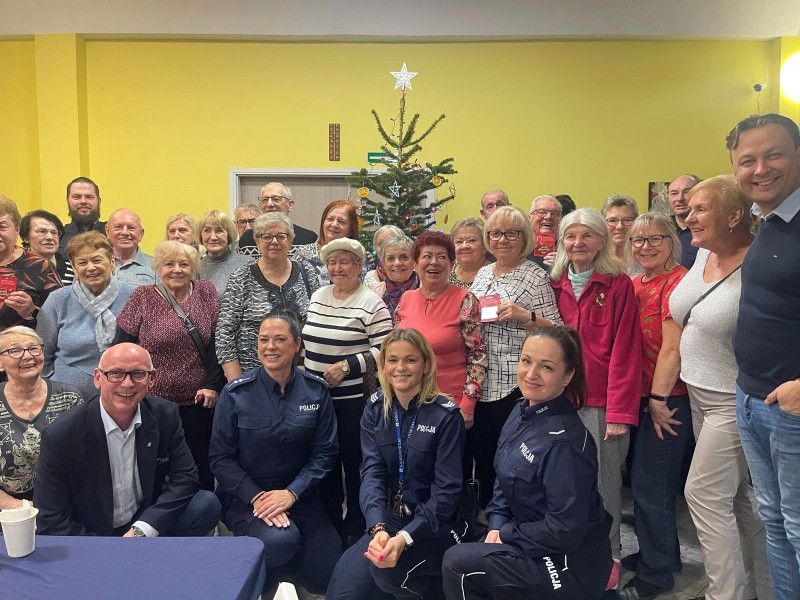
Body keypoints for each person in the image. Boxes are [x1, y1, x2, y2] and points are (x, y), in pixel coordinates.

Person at [441, 326, 613, 600]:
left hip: (567, 563)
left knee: (458, 564)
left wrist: (507, 533)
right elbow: (503, 480)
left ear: (567, 376)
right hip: (528, 537)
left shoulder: (564, 444)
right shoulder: (521, 409)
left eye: (546, 367)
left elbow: (565, 529)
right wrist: (496, 525)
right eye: (526, 361)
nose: (531, 374)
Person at [669, 175, 760, 600]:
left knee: (703, 494)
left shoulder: (758, 262)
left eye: (701, 208)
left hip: (733, 397)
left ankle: (722, 594)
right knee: (733, 498)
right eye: (689, 208)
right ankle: (750, 588)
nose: (689, 216)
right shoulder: (704, 251)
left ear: (735, 215)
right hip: (697, 392)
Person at [327, 328, 467, 600]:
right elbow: (372, 473)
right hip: (389, 520)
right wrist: (377, 527)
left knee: (389, 576)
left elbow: (447, 493)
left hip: (433, 525)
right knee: (341, 594)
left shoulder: (446, 416)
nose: (400, 368)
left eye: (410, 360)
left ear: (425, 365)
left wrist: (404, 537)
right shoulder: (374, 409)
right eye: (392, 360)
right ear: (383, 365)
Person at [209, 311, 341, 596]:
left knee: (328, 570)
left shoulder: (316, 391)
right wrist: (257, 497)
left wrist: (292, 493)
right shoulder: (235, 394)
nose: (270, 347)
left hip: (301, 497)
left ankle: (280, 572)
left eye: (280, 339)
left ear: (297, 344)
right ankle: (267, 575)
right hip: (248, 500)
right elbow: (220, 459)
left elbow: (325, 454)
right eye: (263, 340)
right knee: (280, 541)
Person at [34, 343, 221, 537]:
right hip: (92, 532)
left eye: (138, 374)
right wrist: (110, 548)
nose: (127, 383)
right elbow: (51, 519)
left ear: (152, 379)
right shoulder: (61, 434)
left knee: (205, 504)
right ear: (98, 378)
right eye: (116, 373)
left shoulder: (165, 415)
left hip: (142, 522)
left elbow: (186, 477)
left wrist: (143, 529)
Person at [729, 113, 800, 599]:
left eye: (773, 155)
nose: (760, 169)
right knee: (774, 522)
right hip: (753, 399)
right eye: (747, 160)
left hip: (790, 410)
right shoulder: (770, 222)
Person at [549, 207, 641, 565]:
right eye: (570, 236)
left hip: (601, 403)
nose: (578, 242)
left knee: (604, 485)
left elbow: (626, 351)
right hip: (560, 399)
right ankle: (571, 553)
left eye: (587, 235)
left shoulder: (617, 284)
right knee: (563, 479)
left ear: (602, 240)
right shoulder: (553, 283)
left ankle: (609, 556)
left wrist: (618, 413)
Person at [470, 205, 562, 510]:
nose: (503, 239)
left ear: (525, 238)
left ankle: (511, 517)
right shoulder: (483, 272)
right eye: (496, 233)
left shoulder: (536, 277)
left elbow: (559, 330)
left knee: (511, 458)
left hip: (515, 382)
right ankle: (487, 516)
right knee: (484, 453)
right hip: (480, 379)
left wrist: (526, 315)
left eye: (511, 233)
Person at [302, 238, 393, 541]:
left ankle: (356, 528)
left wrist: (347, 366)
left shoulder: (371, 302)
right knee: (323, 464)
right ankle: (328, 529)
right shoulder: (318, 295)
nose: (337, 268)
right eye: (332, 262)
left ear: (358, 266)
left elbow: (386, 349)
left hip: (353, 403)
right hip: (317, 400)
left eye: (345, 262)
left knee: (354, 466)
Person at [114, 241, 224, 491]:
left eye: (184, 264)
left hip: (198, 402)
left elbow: (217, 344)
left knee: (199, 465)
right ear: (158, 267)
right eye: (169, 264)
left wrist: (212, 385)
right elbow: (122, 347)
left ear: (194, 268)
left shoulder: (206, 291)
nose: (176, 270)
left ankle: (203, 511)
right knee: (155, 465)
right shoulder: (142, 296)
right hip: (152, 403)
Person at [620, 212, 690, 600]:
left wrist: (659, 400)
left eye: (655, 239)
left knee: (653, 487)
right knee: (644, 481)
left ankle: (658, 573)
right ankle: (660, 553)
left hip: (668, 399)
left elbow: (672, 349)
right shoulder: (636, 283)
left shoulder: (677, 282)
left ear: (671, 242)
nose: (645, 247)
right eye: (638, 240)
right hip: (643, 397)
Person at [395, 231, 486, 430]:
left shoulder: (465, 300)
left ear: (451, 264)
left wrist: (468, 405)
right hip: (408, 401)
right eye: (427, 256)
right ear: (415, 264)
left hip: (448, 406)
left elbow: (478, 357)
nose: (434, 262)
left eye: (442, 257)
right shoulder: (406, 299)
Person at [216, 212, 319, 380]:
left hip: (302, 376)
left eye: (281, 236)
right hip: (252, 379)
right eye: (267, 237)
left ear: (290, 240)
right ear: (257, 242)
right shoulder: (241, 277)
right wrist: (237, 382)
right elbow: (224, 333)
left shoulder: (307, 273)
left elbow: (319, 322)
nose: (274, 242)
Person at [37, 232, 136, 400]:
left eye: (97, 260)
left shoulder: (134, 295)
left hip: (123, 393)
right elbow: (41, 351)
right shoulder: (58, 300)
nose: (90, 267)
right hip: (65, 397)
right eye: (82, 262)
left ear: (112, 262)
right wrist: (50, 384)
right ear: (74, 268)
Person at [0, 326, 83, 507]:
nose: (28, 356)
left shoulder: (70, 398)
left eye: (33, 348)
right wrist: (20, 507)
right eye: (15, 350)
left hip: (65, 501)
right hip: (8, 506)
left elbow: (85, 458)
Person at [0, 194, 61, 330]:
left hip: (24, 341)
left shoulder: (41, 266)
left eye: (2, 227)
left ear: (16, 229)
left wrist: (31, 311)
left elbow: (62, 318)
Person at [237, 182, 318, 258]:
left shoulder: (308, 238)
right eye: (265, 199)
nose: (269, 204)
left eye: (276, 199)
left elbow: (311, 268)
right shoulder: (247, 239)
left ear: (290, 205)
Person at [292, 199, 359, 286]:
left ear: (350, 229)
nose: (334, 224)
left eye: (341, 221)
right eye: (330, 219)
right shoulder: (302, 254)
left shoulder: (357, 257)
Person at [196, 209, 252, 296]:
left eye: (219, 230)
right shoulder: (196, 267)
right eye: (207, 230)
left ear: (229, 234)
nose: (213, 237)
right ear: (201, 236)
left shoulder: (247, 263)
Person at [363, 233, 418, 318]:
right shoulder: (373, 293)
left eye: (404, 257)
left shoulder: (426, 290)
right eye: (390, 258)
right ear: (383, 264)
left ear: (414, 261)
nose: (397, 263)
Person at [20, 209, 75, 284]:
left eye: (54, 233)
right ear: (26, 238)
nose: (50, 237)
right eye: (42, 231)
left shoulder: (74, 269)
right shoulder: (13, 269)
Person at [105, 208, 155, 285]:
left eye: (131, 228)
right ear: (107, 232)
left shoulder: (157, 266)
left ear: (141, 234)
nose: (125, 233)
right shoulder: (96, 264)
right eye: (118, 227)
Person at [59, 176, 106, 254]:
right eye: (76, 197)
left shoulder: (113, 234)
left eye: (89, 197)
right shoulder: (58, 236)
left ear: (99, 201)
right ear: (68, 201)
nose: (83, 201)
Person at [601, 194, 641, 275]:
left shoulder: (645, 257)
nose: (619, 227)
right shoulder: (597, 259)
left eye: (627, 220)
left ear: (636, 222)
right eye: (612, 220)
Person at [667, 174, 701, 269]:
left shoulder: (710, 231)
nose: (680, 198)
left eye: (687, 192)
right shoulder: (660, 229)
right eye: (674, 193)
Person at [449, 217, 491, 288]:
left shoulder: (494, 274)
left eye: (471, 240)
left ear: (485, 245)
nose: (464, 246)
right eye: (459, 241)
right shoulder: (446, 273)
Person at [528, 194, 563, 269]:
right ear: (530, 217)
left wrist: (563, 267)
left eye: (554, 213)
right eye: (541, 212)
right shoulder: (520, 246)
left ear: (560, 219)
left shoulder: (567, 246)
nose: (548, 216)